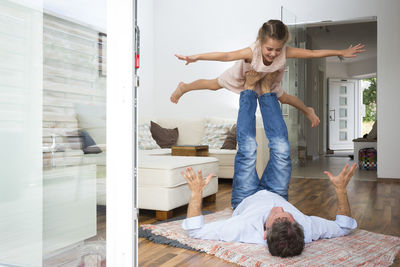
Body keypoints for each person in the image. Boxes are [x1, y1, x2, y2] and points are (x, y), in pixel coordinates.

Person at [180, 74, 358, 257]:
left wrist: (195, 194)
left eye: (277, 216)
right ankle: (267, 92)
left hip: (245, 197)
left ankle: (248, 91)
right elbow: (344, 226)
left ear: (265, 233)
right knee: (281, 148)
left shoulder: (241, 228)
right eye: (288, 216)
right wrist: (341, 190)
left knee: (248, 149)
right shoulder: (306, 227)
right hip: (276, 191)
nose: (280, 209)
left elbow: (195, 231)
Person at [171, 19, 365, 128]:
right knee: (214, 85)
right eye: (269, 49)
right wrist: (196, 57)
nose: (273, 54)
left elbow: (312, 54)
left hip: (268, 80)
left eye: (277, 50)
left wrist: (340, 52)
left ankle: (308, 110)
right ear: (261, 43)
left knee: (286, 98)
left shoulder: (285, 51)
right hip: (244, 77)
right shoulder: (251, 52)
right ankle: (185, 87)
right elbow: (226, 55)